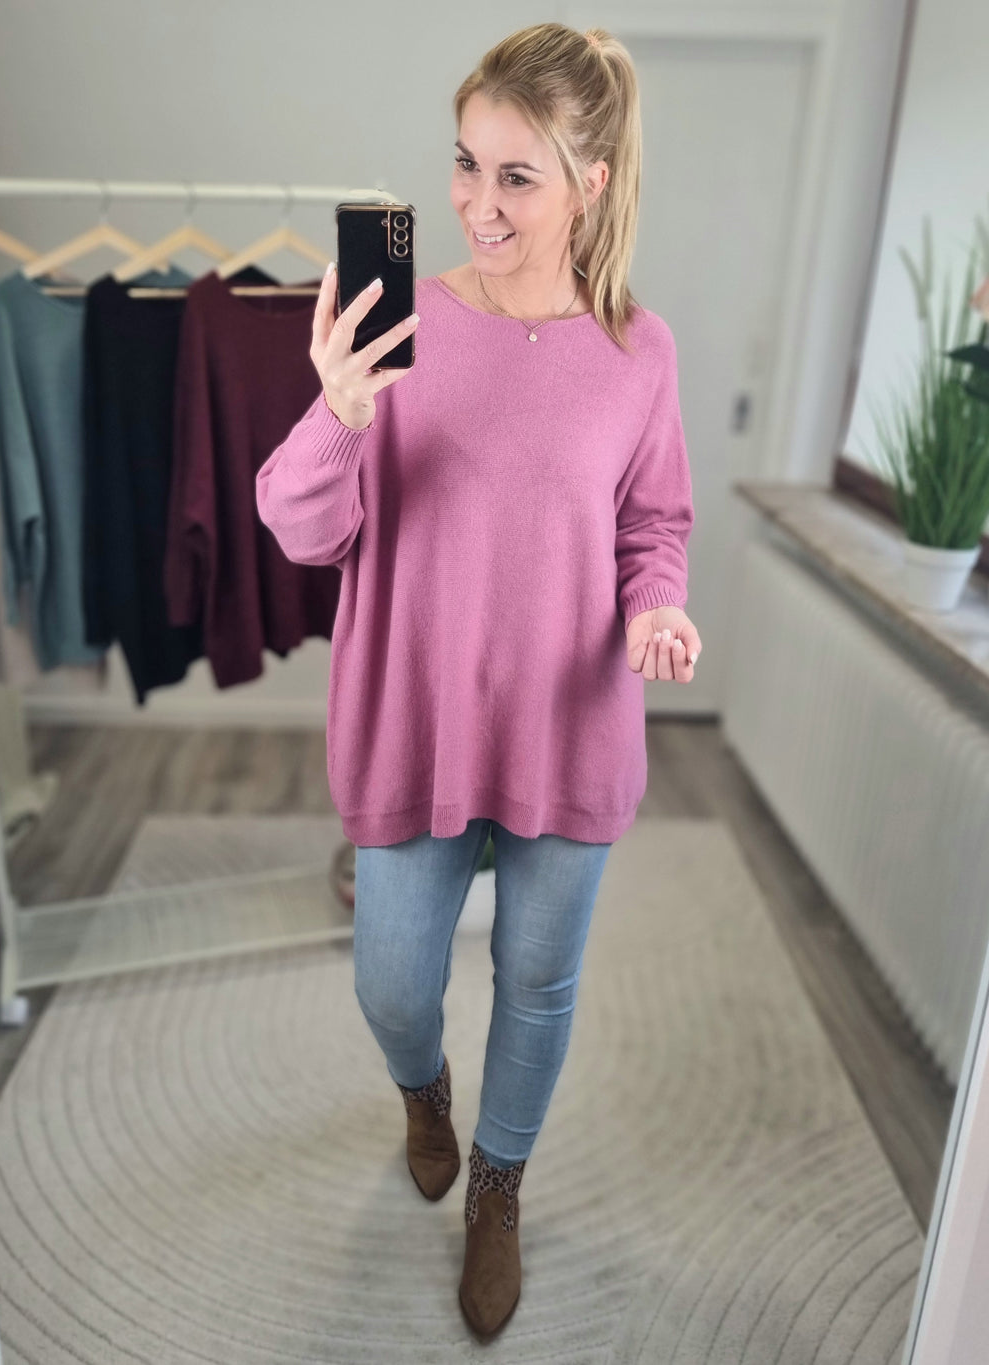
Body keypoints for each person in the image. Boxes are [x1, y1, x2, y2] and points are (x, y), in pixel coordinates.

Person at [256, 20, 702, 1340]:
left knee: (537, 984)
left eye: (517, 175)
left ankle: (498, 1184)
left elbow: (653, 524)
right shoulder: (396, 320)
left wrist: (659, 605)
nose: (477, 202)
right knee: (393, 983)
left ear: (590, 183)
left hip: (570, 724)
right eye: (465, 164)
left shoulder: (640, 351)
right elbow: (299, 526)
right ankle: (425, 1094)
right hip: (417, 718)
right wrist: (341, 408)